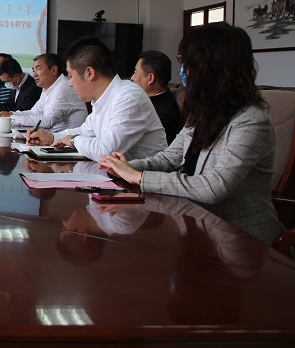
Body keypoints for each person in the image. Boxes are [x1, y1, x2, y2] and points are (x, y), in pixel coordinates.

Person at [99, 22, 284, 244]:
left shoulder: (251, 122)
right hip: (196, 226)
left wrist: (138, 177)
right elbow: (169, 159)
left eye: (188, 62)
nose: (184, 70)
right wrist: (124, 167)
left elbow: (213, 187)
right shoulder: (203, 113)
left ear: (212, 67)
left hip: (241, 240)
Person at [27, 36, 166, 162]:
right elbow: (84, 131)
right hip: (116, 175)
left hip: (144, 179)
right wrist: (51, 137)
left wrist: (73, 140)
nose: (70, 83)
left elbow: (106, 151)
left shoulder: (128, 98)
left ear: (89, 73)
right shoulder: (104, 98)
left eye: (71, 76)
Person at [0, 53, 87, 133]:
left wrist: (11, 119)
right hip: (54, 139)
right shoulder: (47, 89)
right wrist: (11, 114)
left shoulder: (63, 88)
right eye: (33, 70)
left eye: (38, 69)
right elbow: (34, 112)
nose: (34, 74)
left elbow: (48, 121)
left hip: (68, 142)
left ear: (54, 70)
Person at [130, 50, 181, 144]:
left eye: (135, 72)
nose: (132, 78)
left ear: (150, 78)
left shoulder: (163, 114)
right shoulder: (151, 100)